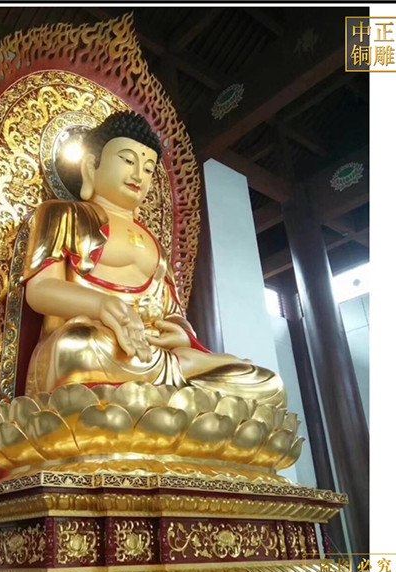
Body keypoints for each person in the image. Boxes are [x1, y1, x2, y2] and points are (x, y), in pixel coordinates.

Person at [20, 112, 286, 407]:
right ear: (91, 166)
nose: (138, 176)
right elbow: (40, 290)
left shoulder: (154, 244)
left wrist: (181, 335)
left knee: (267, 383)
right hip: (98, 345)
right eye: (127, 160)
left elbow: (171, 311)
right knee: (75, 347)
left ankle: (173, 380)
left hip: (155, 353)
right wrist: (103, 305)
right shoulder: (62, 214)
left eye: (148, 169)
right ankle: (177, 387)